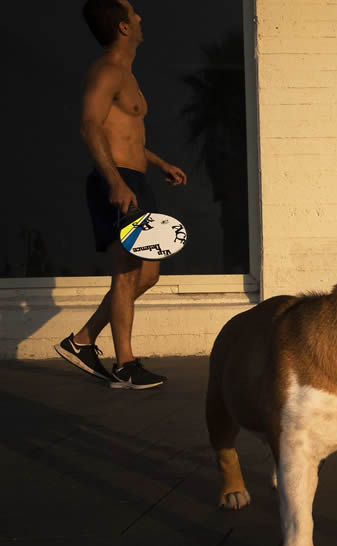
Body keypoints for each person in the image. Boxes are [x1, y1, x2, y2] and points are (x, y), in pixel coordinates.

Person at [54, 0, 187, 389]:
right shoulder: (106, 71)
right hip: (116, 180)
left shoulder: (128, 76)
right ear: (123, 28)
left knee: (147, 273)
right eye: (134, 13)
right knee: (127, 272)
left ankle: (82, 340)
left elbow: (126, 137)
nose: (141, 17)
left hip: (135, 179)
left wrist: (160, 164)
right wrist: (114, 181)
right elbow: (90, 127)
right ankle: (125, 365)